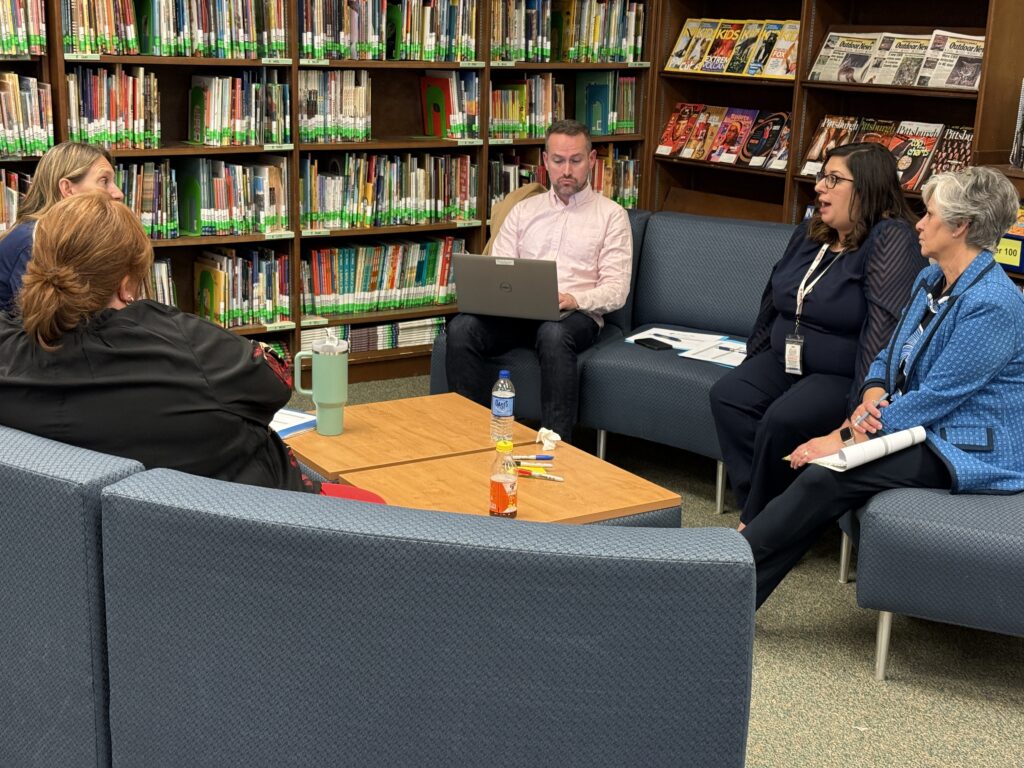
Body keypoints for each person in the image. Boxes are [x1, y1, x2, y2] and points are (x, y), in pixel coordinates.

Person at [743, 166, 1024, 608]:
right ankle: (731, 593)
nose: (919, 223)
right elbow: (887, 356)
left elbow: (935, 399)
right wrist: (871, 397)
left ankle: (723, 582)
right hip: (918, 425)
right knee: (826, 478)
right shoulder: (930, 279)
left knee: (828, 475)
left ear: (961, 226)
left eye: (929, 214)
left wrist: (840, 440)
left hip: (964, 445)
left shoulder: (995, 304)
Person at [0, 191, 383, 501]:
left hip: (122, 549)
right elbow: (275, 384)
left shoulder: (11, 350)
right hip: (254, 521)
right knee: (376, 508)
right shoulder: (176, 340)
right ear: (127, 282)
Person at [710, 142, 922, 527]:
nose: (819, 188)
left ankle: (759, 523)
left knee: (782, 418)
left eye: (833, 179)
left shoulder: (890, 238)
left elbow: (884, 328)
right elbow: (771, 301)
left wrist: (860, 407)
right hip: (783, 359)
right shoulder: (811, 233)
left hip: (839, 372)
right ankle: (774, 506)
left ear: (868, 188)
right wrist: (751, 360)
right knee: (730, 396)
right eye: (822, 177)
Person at [444, 119, 632, 442]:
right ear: (545, 161)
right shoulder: (524, 211)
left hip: (575, 317)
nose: (567, 170)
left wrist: (576, 299)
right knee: (462, 328)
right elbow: (499, 266)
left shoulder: (611, 216)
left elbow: (617, 290)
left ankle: (557, 445)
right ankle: (469, 436)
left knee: (553, 334)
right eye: (558, 161)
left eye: (576, 160)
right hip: (518, 315)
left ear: (592, 159)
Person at [0, 142, 124, 312]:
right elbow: (45, 325)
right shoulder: (32, 240)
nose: (118, 193)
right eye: (104, 181)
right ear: (67, 188)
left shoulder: (72, 234)